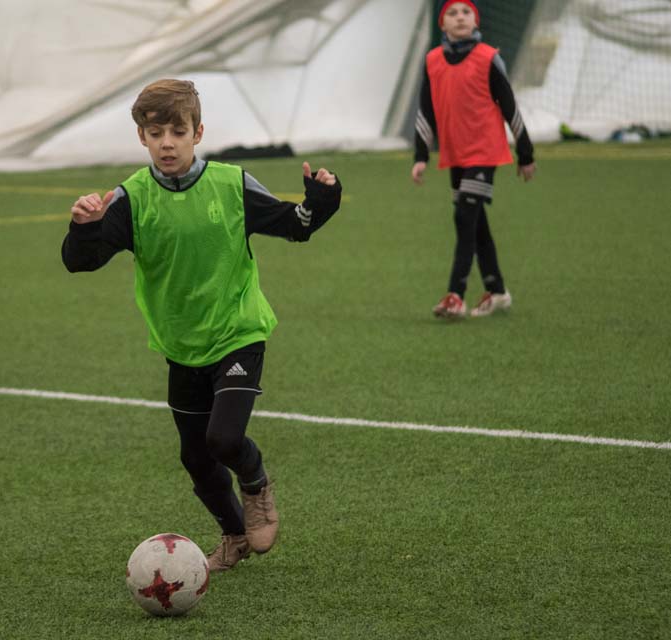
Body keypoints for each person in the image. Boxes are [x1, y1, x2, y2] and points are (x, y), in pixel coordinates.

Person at [61, 79, 342, 571]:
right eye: (155, 134)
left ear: (198, 133)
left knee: (224, 440)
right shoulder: (131, 198)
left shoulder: (231, 184)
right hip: (182, 345)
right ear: (142, 137)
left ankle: (256, 485)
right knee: (195, 458)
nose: (167, 143)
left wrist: (323, 198)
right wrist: (84, 227)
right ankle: (234, 535)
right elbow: (80, 262)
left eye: (178, 132)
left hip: (237, 332)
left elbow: (294, 225)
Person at [412, 0, 536, 319]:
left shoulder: (488, 58)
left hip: (485, 150)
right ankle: (498, 291)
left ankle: (455, 294)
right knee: (475, 222)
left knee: (464, 216)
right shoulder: (433, 60)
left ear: (476, 21)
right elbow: (425, 109)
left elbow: (509, 106)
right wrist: (421, 156)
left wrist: (525, 152)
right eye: (452, 13)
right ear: (442, 24)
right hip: (455, 153)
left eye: (466, 12)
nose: (460, 18)